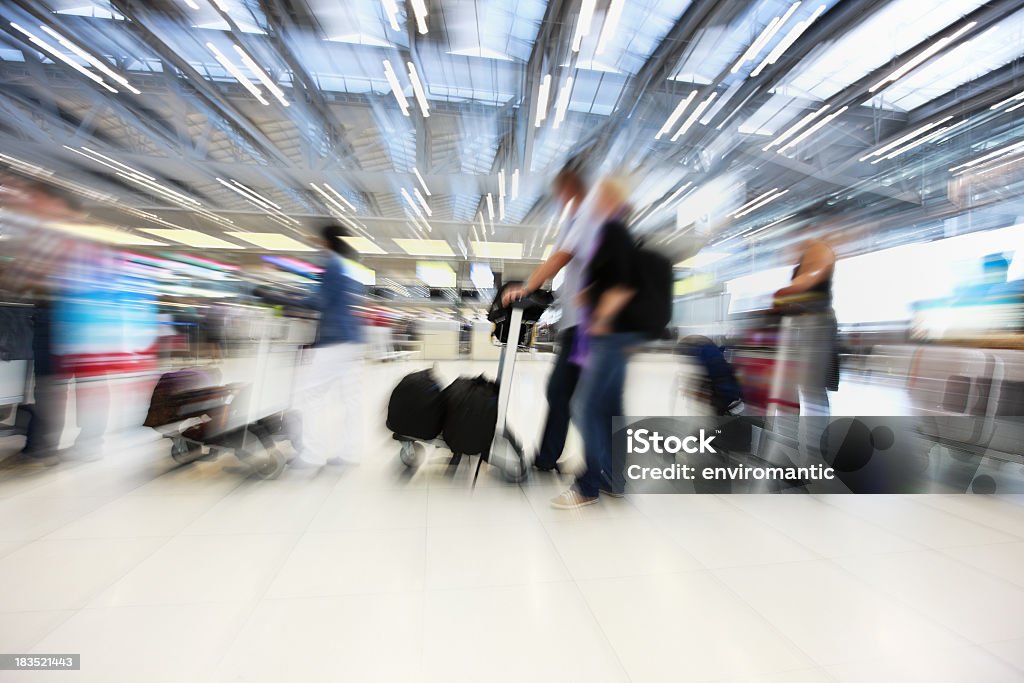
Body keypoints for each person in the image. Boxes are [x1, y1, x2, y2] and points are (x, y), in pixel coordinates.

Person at [550, 178, 646, 509]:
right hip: (620, 336)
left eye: (601, 196)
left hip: (608, 335)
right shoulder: (620, 233)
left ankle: (587, 487)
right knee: (609, 409)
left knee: (585, 406)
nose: (594, 201)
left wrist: (602, 318)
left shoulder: (613, 232)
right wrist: (588, 292)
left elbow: (622, 285)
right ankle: (615, 480)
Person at [502, 160, 595, 472]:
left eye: (561, 189)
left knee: (575, 397)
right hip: (575, 323)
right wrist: (549, 297)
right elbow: (573, 270)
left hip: (587, 327)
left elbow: (561, 257)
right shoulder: (575, 218)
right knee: (563, 393)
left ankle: (605, 469)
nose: (558, 196)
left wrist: (528, 287)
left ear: (570, 187)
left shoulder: (587, 213)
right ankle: (547, 460)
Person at [283, 224, 365, 468]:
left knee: (312, 396)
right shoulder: (348, 266)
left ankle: (311, 456)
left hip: (334, 340)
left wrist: (284, 299)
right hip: (352, 339)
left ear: (326, 242)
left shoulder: (333, 265)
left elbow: (319, 300)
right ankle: (351, 453)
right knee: (351, 400)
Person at [772, 204, 838, 417]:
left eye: (797, 230)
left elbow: (804, 283)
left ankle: (817, 444)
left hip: (816, 326)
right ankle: (802, 440)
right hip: (805, 326)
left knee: (812, 388)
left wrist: (782, 295)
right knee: (801, 386)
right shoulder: (806, 253)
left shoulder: (819, 250)